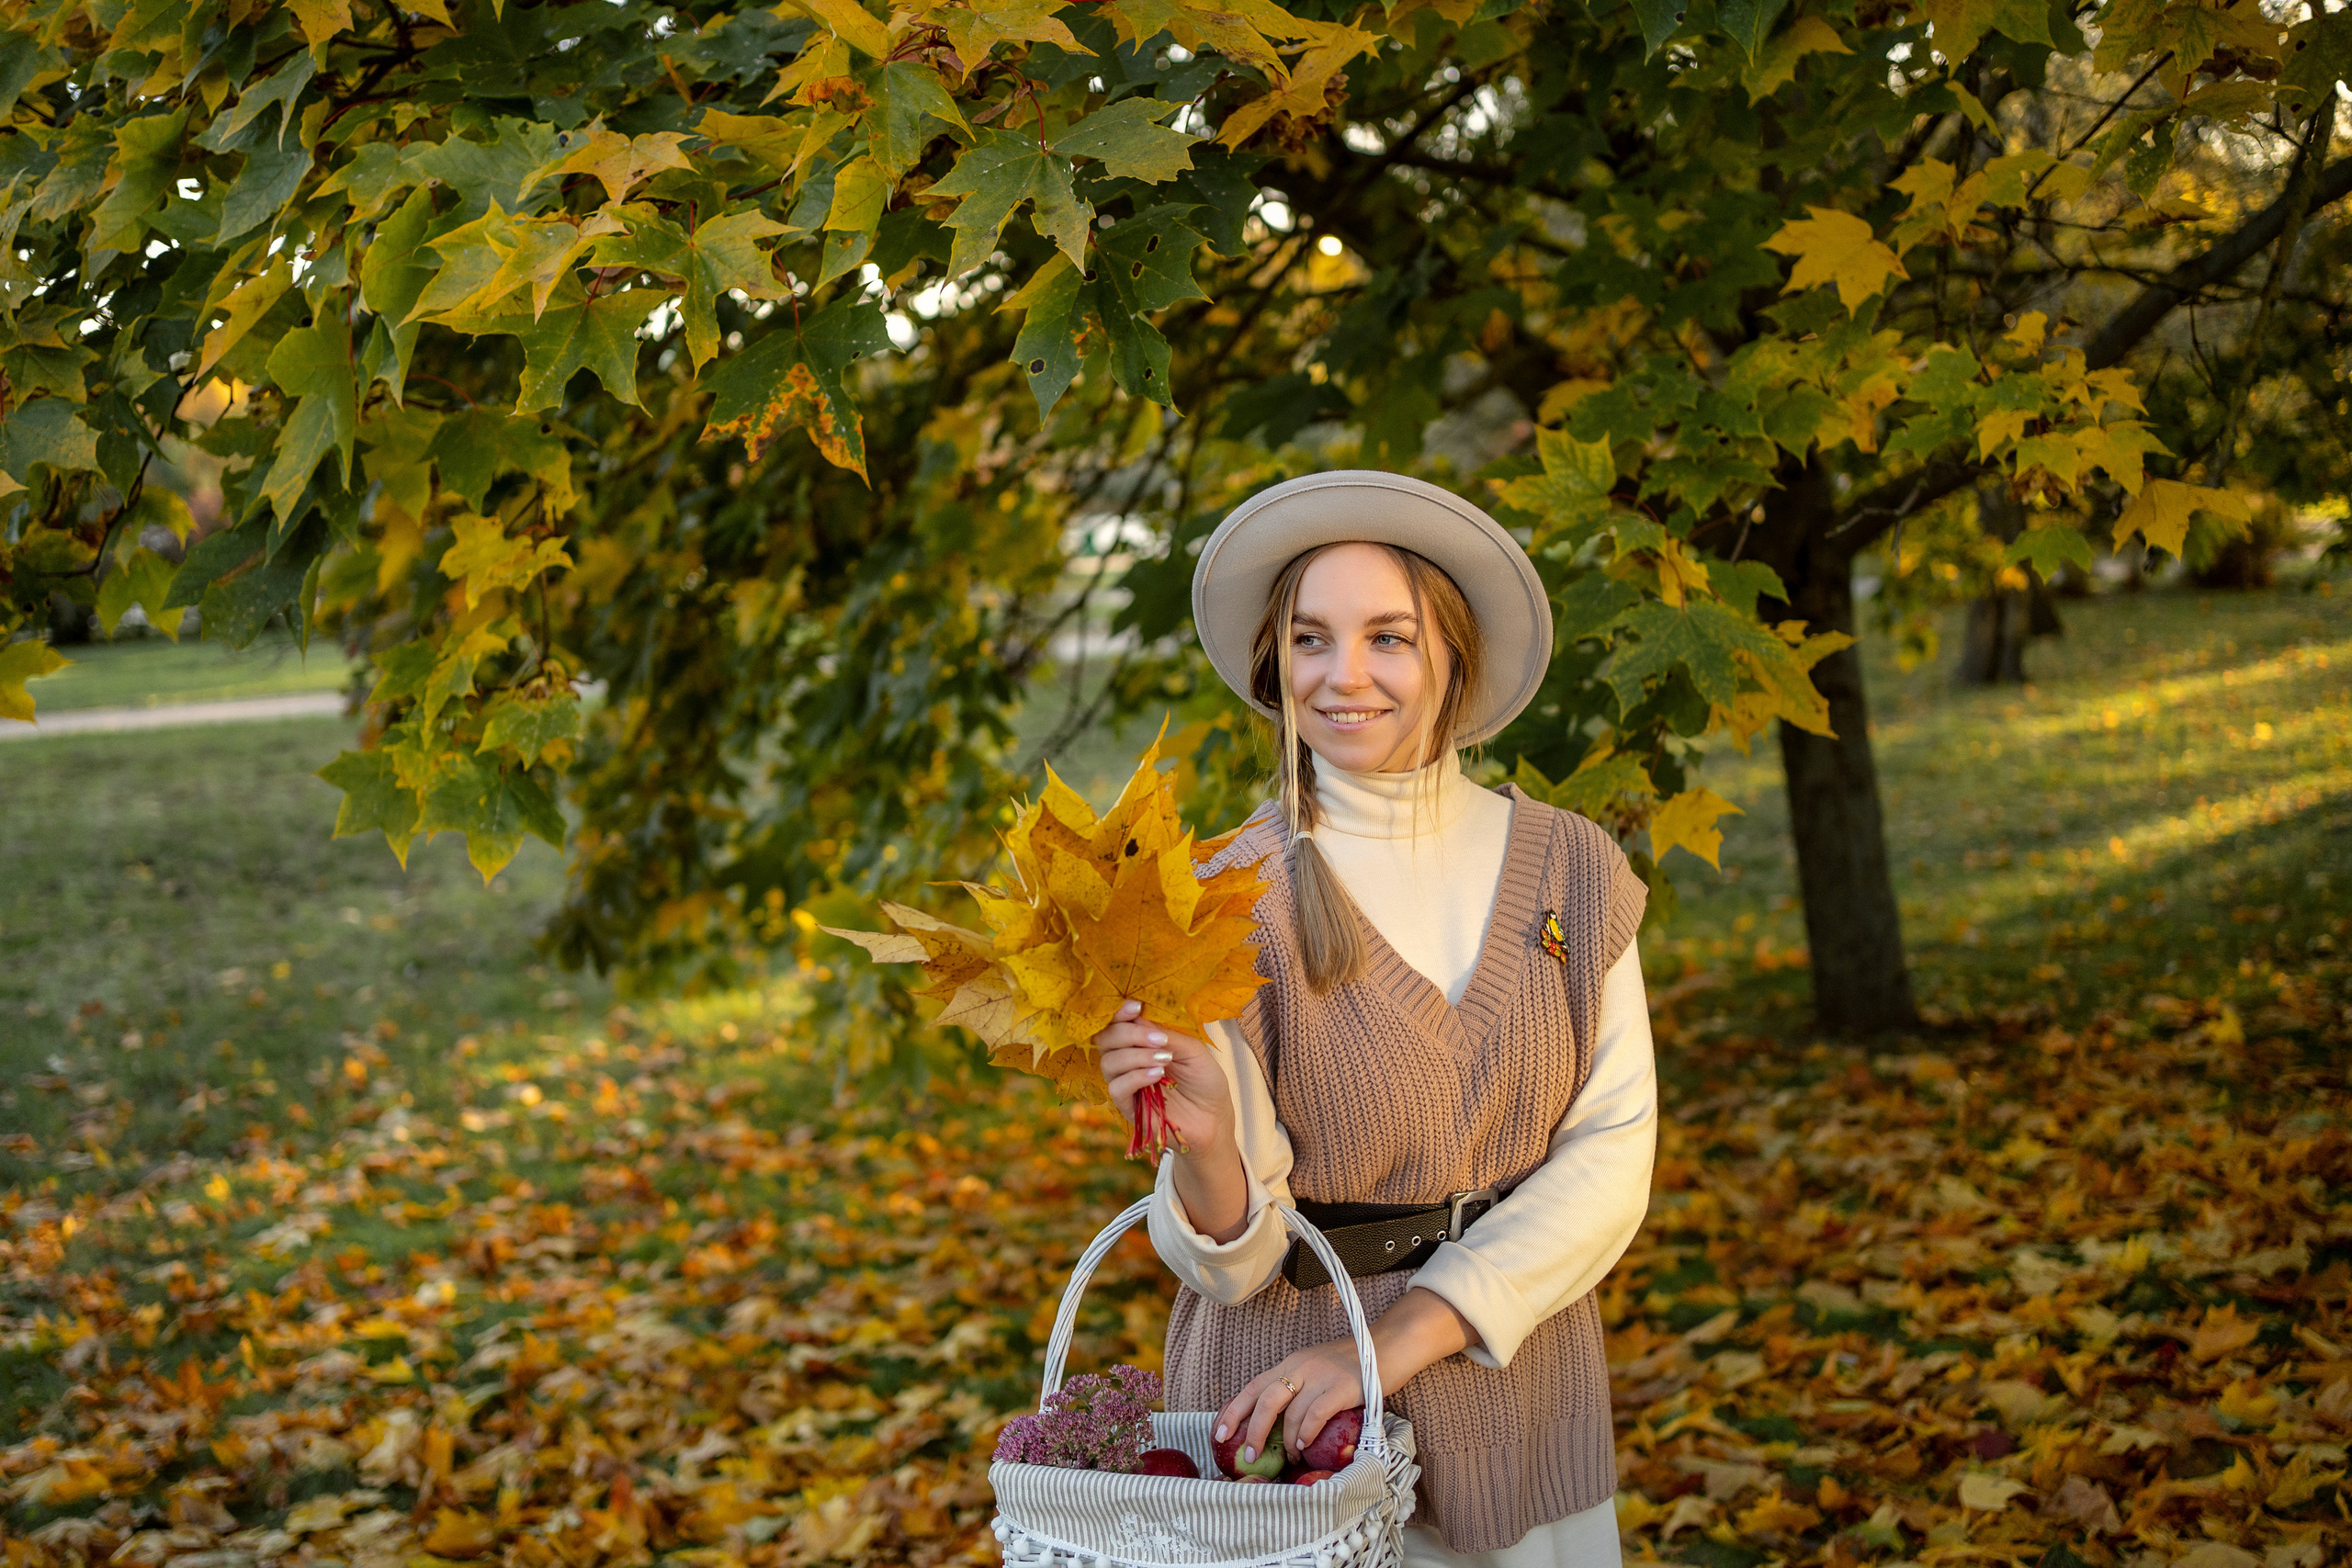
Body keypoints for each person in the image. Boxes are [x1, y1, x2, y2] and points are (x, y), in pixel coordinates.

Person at [1091, 470, 1657, 1566]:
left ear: (1454, 656)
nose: (1342, 675)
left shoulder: (1573, 871)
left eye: (1387, 637)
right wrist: (1204, 1149)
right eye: (1310, 639)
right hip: (1293, 1417)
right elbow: (1235, 1263)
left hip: (1515, 1378)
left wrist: (1391, 1344)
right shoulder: (1221, 903)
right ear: (1277, 664)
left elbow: (1611, 1156)